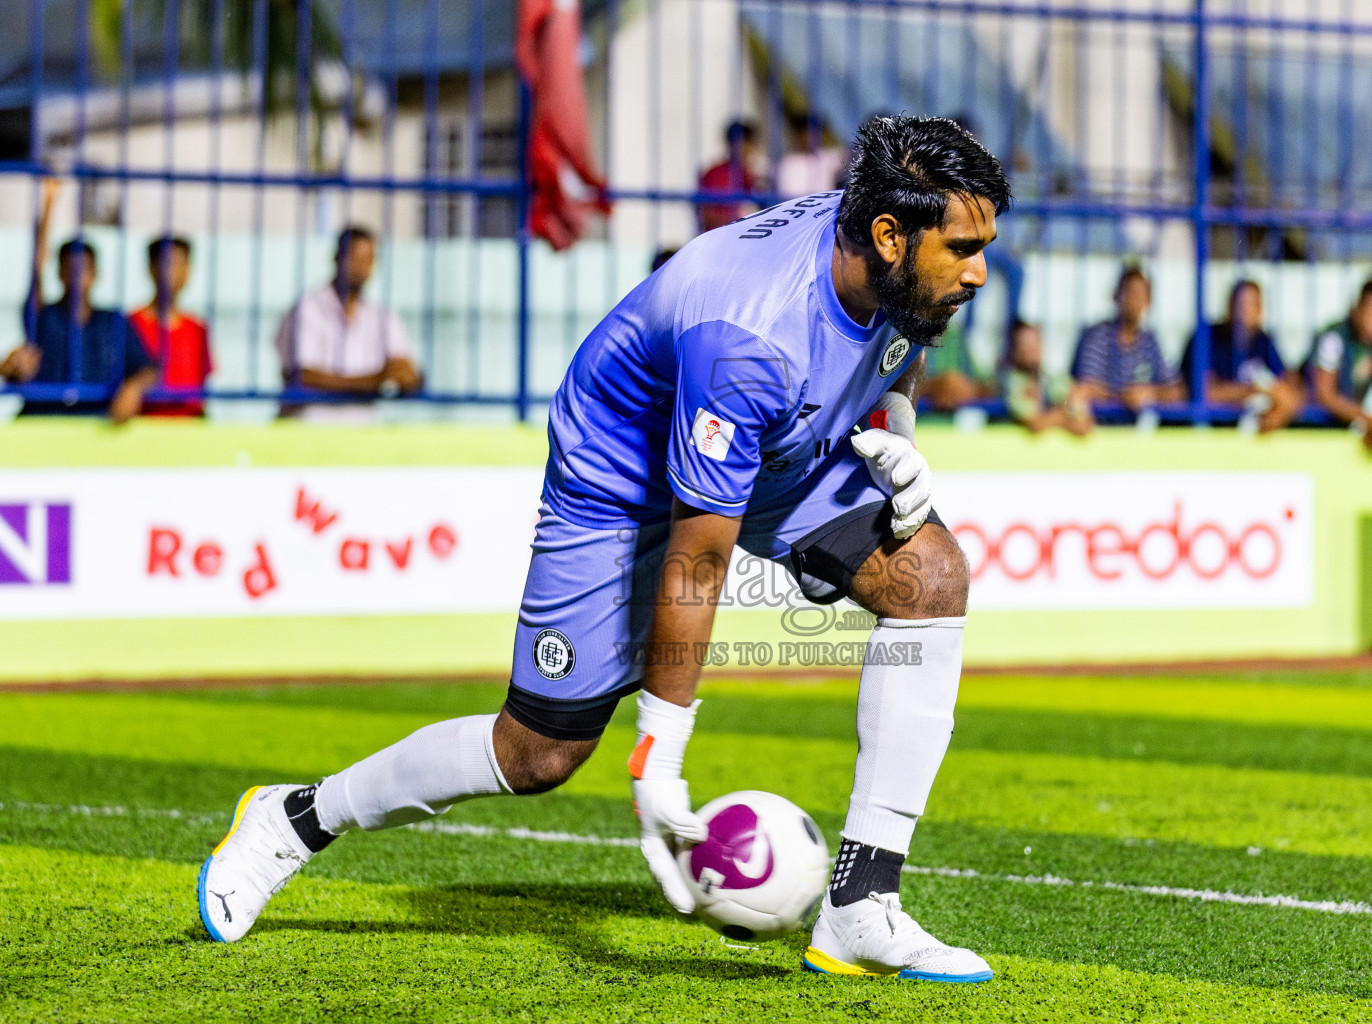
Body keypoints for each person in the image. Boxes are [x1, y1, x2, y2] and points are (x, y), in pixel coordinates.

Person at [199, 115, 1009, 984]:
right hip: (619, 485)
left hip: (767, 447)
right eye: (963, 246)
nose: (979, 270)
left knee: (930, 578)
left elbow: (902, 334)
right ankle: (294, 819)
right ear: (889, 235)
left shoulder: (890, 260)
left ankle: (860, 908)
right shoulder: (749, 333)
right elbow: (699, 559)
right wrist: (660, 754)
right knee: (538, 754)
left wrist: (891, 422)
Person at [0, 178, 156, 422]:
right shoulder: (45, 316)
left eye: (84, 268)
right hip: (43, 422)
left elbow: (148, 368)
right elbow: (36, 268)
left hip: (96, 426)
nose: (77, 275)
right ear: (59, 273)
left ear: (96, 274)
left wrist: (133, 387)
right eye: (70, 268)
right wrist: (49, 203)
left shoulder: (113, 321)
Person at [274, 225, 421, 421]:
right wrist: (374, 380)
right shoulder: (306, 310)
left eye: (368, 260)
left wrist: (405, 377)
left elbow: (405, 371)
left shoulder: (382, 317)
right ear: (336, 258)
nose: (361, 267)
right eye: (355, 258)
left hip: (363, 426)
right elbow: (302, 377)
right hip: (310, 424)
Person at [1180, 280, 1301, 433]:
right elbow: (1204, 392)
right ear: (1229, 306)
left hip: (1249, 432)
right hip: (1208, 430)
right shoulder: (1207, 338)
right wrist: (1258, 390)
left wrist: (1278, 414)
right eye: (1242, 304)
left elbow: (1287, 387)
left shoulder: (1263, 341)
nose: (1247, 311)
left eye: (1253, 304)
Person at [1070, 265, 1185, 418]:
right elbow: (1085, 388)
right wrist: (1124, 397)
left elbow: (1177, 391)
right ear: (1117, 296)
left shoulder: (1149, 341)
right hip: (1099, 428)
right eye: (1131, 292)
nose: (1136, 301)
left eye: (1142, 294)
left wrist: (1151, 393)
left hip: (1137, 433)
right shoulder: (1097, 336)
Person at [1305, 278, 1372, 456]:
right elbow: (1324, 394)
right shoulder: (1334, 337)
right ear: (1356, 309)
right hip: (1329, 427)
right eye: (1368, 313)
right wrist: (1367, 420)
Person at [129, 235, 214, 417]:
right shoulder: (131, 324)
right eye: (170, 263)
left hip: (187, 432)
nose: (178, 270)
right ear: (152, 268)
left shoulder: (198, 328)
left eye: (183, 263)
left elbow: (202, 392)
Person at [1003, 319, 1092, 436]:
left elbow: (1084, 426)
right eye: (1025, 344)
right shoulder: (1009, 382)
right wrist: (1062, 415)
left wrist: (1057, 416)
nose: (1030, 350)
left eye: (1035, 343)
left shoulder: (1053, 379)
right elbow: (1035, 424)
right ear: (1015, 349)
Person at [919, 304, 991, 412]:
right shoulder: (902, 331)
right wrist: (933, 386)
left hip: (955, 420)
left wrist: (966, 388)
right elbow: (890, 385)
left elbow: (986, 388)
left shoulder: (954, 336)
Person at [696, 120, 763, 233]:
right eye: (739, 142)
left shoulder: (755, 175)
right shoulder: (715, 174)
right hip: (723, 236)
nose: (745, 148)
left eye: (748, 143)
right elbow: (707, 215)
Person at [776, 111, 846, 196]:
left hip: (824, 205)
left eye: (814, 133)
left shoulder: (828, 157)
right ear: (799, 136)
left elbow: (852, 154)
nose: (809, 137)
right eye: (805, 134)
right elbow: (784, 193)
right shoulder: (789, 162)